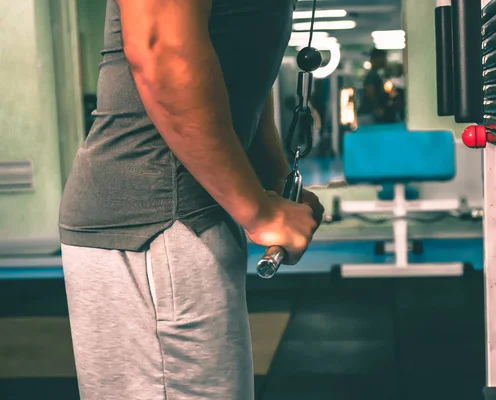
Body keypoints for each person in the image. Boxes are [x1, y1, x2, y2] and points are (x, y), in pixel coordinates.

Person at [58, 1, 324, 399]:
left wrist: (273, 174)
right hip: (156, 224)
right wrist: (259, 210)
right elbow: (161, 49)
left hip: (188, 218)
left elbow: (236, 67)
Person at [358, 48, 398, 124]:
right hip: (368, 114)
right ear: (376, 59)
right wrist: (378, 108)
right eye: (383, 58)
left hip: (370, 114)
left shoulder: (378, 74)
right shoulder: (372, 75)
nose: (385, 61)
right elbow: (370, 92)